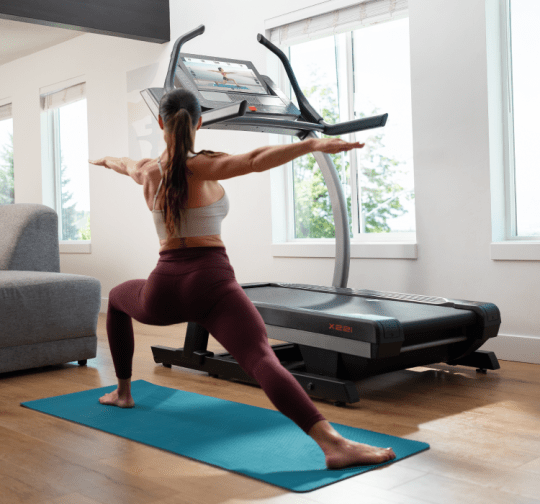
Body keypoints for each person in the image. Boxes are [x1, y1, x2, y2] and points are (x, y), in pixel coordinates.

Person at [89, 88, 396, 470]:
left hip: (163, 287)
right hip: (211, 282)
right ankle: (332, 443)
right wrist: (312, 145)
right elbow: (253, 160)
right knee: (260, 357)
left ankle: (122, 392)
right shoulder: (202, 165)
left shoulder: (148, 170)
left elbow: (126, 163)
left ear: (159, 123)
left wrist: (105, 160)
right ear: (198, 121)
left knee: (118, 299)